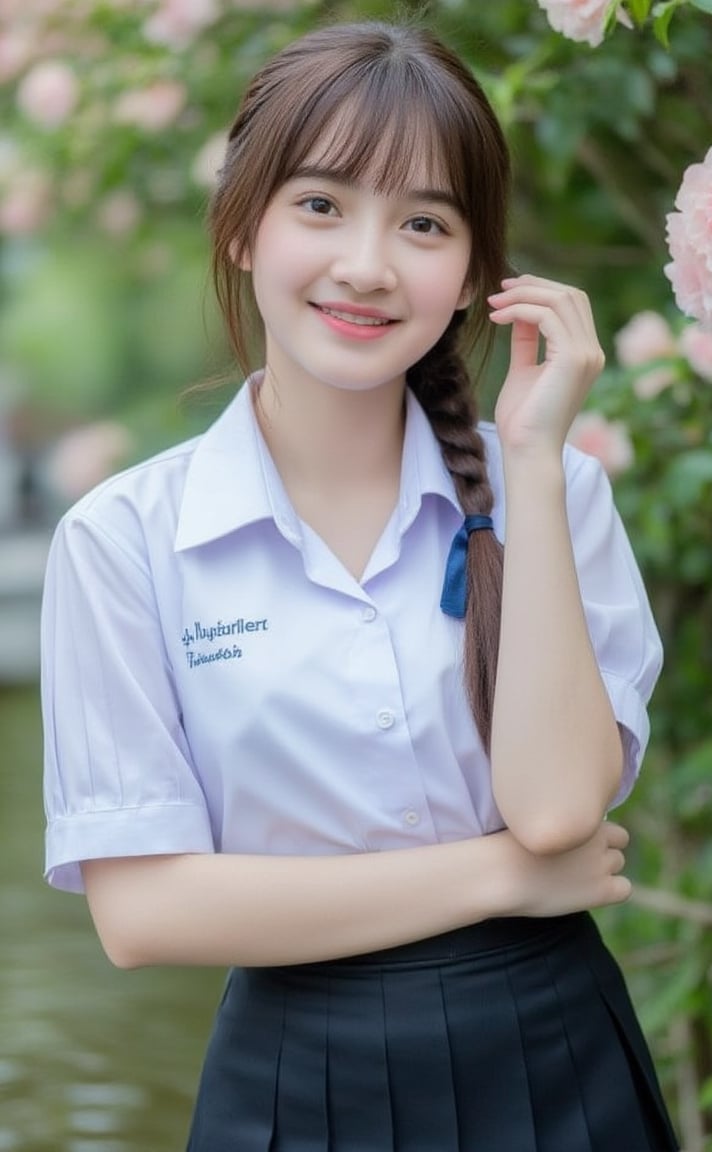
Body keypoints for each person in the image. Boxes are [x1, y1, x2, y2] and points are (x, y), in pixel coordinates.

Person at [41, 18, 679, 1152]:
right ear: (242, 229)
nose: (369, 265)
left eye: (424, 222)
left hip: (555, 1062)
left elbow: (557, 810)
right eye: (322, 204)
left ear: (478, 273)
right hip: (293, 1080)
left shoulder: (559, 495)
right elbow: (143, 914)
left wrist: (530, 465)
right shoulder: (125, 539)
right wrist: (497, 878)